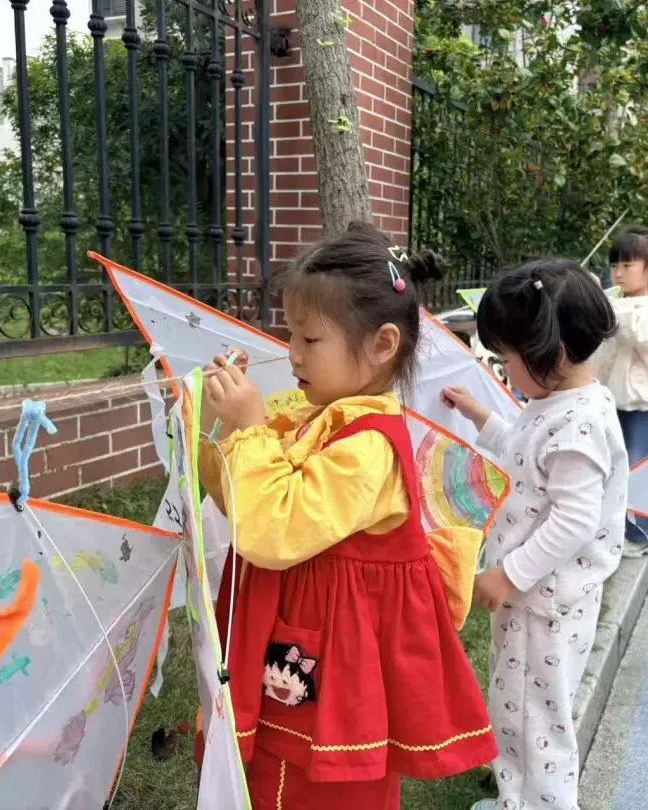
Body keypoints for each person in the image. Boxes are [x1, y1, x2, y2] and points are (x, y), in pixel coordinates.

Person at [196, 223, 497, 810]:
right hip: (297, 641)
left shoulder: (369, 447)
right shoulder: (321, 417)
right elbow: (239, 499)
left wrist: (252, 429)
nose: (292, 352)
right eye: (290, 333)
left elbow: (272, 531)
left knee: (309, 788)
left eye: (310, 338)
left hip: (326, 668)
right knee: (266, 778)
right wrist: (221, 426)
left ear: (383, 344)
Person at [442, 259, 628, 810]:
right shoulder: (558, 404)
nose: (503, 370)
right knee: (522, 708)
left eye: (506, 359)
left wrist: (509, 574)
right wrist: (481, 417)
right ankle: (517, 795)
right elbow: (525, 460)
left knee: (534, 717)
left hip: (539, 601)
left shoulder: (577, 424)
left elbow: (574, 519)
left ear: (553, 355)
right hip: (541, 598)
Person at [590, 225, 648, 558]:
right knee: (613, 467)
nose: (619, 272)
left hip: (641, 405)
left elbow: (635, 331)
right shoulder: (616, 303)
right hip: (613, 400)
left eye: (627, 265)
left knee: (640, 469)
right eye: (615, 265)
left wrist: (600, 301)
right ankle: (618, 528)